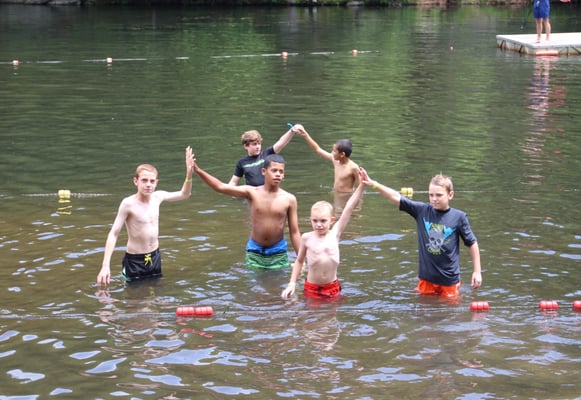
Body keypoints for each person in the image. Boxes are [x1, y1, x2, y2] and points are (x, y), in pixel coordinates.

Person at [360, 172, 482, 299]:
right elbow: (396, 197)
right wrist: (374, 184)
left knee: (449, 312)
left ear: (450, 195)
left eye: (439, 195)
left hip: (449, 280)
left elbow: (472, 243)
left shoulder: (459, 217)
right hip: (426, 279)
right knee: (424, 312)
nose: (434, 199)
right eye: (431, 195)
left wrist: (477, 271)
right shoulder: (422, 211)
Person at [96, 146, 195, 286]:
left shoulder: (158, 197)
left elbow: (184, 194)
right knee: (135, 299)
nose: (148, 185)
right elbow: (114, 233)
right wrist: (105, 265)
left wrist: (189, 175)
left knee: (156, 294)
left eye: (152, 181)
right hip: (135, 260)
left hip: (154, 256)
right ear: (136, 181)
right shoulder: (128, 204)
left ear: (156, 182)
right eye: (144, 180)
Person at [194, 153, 301, 269]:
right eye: (274, 170)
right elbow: (220, 187)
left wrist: (301, 260)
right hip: (254, 249)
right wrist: (198, 170)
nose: (278, 174)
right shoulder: (252, 192)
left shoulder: (289, 199)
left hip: (278, 250)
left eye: (281, 172)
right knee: (253, 284)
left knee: (277, 284)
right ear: (264, 171)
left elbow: (294, 231)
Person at [281, 168, 367, 300]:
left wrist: (362, 185)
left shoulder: (335, 233)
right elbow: (299, 261)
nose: (318, 224)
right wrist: (291, 284)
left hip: (332, 286)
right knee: (312, 317)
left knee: (331, 317)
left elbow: (349, 207)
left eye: (323, 221)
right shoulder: (307, 238)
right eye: (315, 221)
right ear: (310, 220)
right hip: (312, 287)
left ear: (332, 221)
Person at [228, 124, 300, 186]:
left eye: (259, 143)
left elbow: (280, 143)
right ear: (246, 146)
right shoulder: (242, 162)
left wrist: (292, 131)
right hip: (253, 195)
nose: (258, 147)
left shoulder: (267, 154)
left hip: (268, 192)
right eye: (254, 144)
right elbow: (233, 182)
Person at [295, 125, 360, 193]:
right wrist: (305, 135)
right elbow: (317, 149)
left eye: (334, 151)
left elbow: (360, 188)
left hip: (347, 197)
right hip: (336, 194)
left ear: (342, 154)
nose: (332, 152)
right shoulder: (336, 161)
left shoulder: (354, 168)